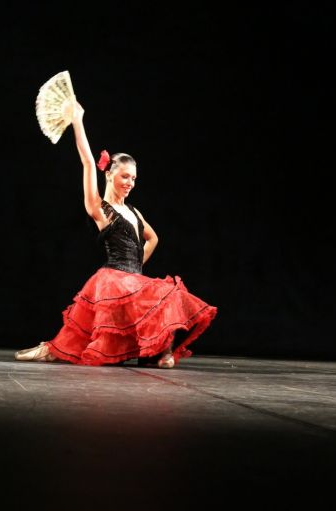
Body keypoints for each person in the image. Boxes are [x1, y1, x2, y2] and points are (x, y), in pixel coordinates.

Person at [15, 99, 217, 368]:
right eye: (125, 177)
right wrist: (77, 121)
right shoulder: (100, 208)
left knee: (167, 297)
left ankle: (159, 353)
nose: (130, 183)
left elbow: (153, 238)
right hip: (111, 281)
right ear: (109, 175)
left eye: (133, 179)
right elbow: (88, 162)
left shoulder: (134, 212)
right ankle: (50, 350)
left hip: (131, 282)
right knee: (160, 297)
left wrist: (137, 268)